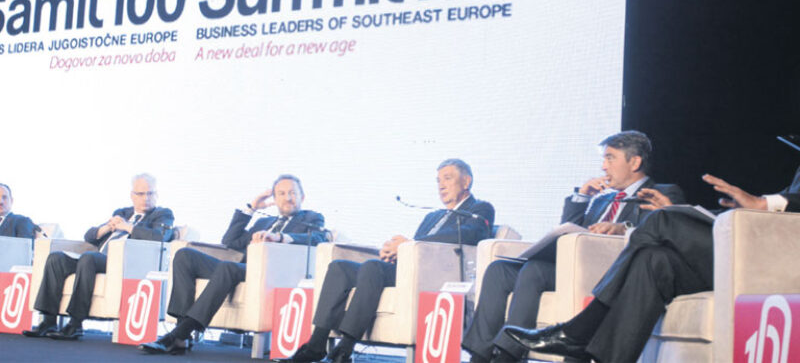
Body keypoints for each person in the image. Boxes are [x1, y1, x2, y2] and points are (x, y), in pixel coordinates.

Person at [503, 167, 800, 363]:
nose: (603, 166)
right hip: (756, 239)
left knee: (662, 219)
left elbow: (783, 204)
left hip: (775, 256)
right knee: (653, 260)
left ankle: (579, 330)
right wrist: (748, 207)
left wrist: (764, 204)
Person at [462, 131, 684, 363]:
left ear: (635, 162)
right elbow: (568, 230)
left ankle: (508, 355)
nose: (603, 167)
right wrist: (582, 197)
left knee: (534, 270)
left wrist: (623, 227)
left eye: (610, 158)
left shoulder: (662, 193)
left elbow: (664, 231)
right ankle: (479, 356)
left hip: (608, 273)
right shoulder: (602, 199)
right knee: (499, 270)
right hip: (568, 269)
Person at [281, 159, 495, 363]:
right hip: (407, 268)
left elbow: (472, 234)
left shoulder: (480, 209)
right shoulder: (433, 216)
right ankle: (316, 343)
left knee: (373, 267)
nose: (441, 185)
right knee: (339, 268)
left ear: (466, 181)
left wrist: (409, 244)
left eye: (447, 178)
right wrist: (394, 251)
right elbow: (416, 247)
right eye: (438, 180)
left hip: (430, 275)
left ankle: (345, 348)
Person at [139, 174, 328, 355]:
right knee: (184, 256)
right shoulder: (264, 221)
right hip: (243, 269)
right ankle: (182, 335)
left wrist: (279, 237)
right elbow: (230, 240)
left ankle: (177, 335)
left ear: (302, 196)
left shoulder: (311, 218)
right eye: (282, 193)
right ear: (275, 199)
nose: (288, 198)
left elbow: (318, 238)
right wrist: (251, 208)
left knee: (228, 267)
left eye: (293, 193)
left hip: (270, 273)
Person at [22, 173, 174, 340]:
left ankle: (75, 323)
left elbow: (159, 237)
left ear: (156, 194)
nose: (146, 198)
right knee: (56, 259)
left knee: (88, 258)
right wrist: (108, 227)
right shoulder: (122, 212)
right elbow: (89, 236)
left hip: (122, 262)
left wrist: (127, 227)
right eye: (141, 194)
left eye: (150, 193)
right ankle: (48, 321)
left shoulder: (162, 214)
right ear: (132, 195)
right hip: (98, 258)